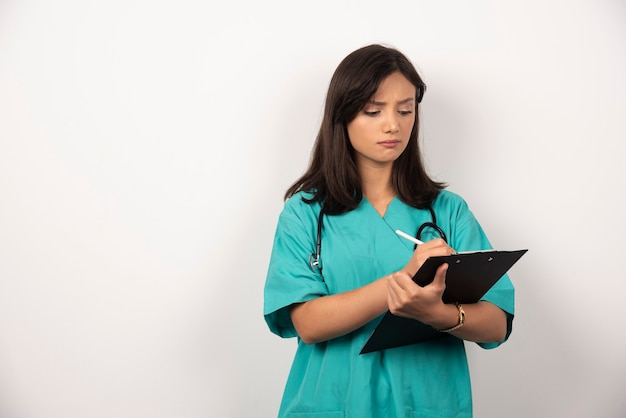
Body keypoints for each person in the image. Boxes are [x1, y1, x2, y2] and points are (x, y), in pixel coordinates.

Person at [263, 43, 515, 418]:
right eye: (373, 110)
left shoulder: (448, 212)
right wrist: (403, 280)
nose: (392, 125)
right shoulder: (305, 213)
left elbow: (496, 323)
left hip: (427, 405)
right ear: (343, 115)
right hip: (331, 405)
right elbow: (307, 323)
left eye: (405, 110)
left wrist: (439, 315)